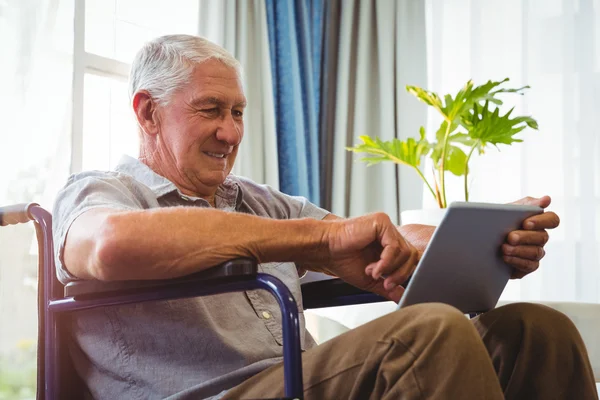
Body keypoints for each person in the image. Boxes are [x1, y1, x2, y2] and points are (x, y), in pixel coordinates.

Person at [53, 34, 598, 400]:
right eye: (210, 111)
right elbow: (107, 247)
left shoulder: (260, 203)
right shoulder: (102, 191)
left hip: (300, 380)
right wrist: (316, 237)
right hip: (213, 393)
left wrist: (487, 244)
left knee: (537, 329)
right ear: (148, 112)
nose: (231, 132)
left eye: (238, 112)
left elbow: (376, 242)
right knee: (425, 334)